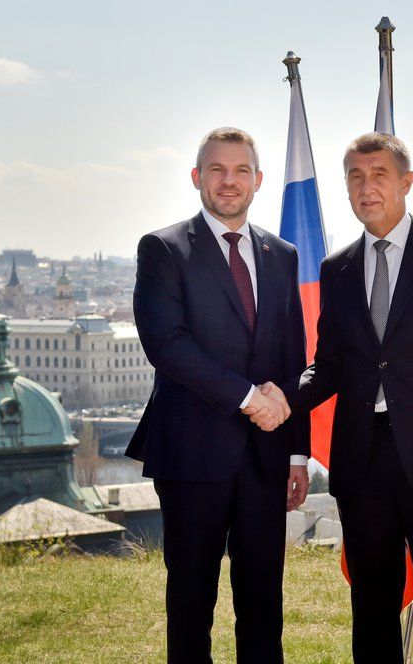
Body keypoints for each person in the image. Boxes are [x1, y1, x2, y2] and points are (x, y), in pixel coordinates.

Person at [254, 132, 413, 663]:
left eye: (379, 175)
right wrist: (282, 396)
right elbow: (330, 366)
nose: (367, 187)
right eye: (355, 177)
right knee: (370, 608)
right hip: (363, 462)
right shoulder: (336, 268)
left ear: (406, 182)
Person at [127, 127, 309, 663]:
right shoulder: (163, 248)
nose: (229, 181)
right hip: (191, 454)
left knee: (263, 605)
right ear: (196, 177)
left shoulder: (283, 253)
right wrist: (250, 398)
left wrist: (296, 452)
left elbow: (292, 358)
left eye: (240, 171)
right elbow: (167, 345)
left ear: (258, 180)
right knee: (191, 602)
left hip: (266, 459)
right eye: (216, 170)